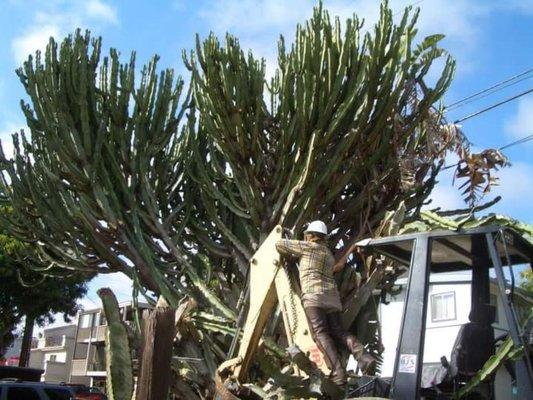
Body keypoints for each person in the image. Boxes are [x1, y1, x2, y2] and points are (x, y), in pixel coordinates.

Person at [275, 220, 376, 385]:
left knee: (321, 333)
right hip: (332, 298)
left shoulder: (307, 247)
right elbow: (335, 268)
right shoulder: (327, 254)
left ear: (311, 235)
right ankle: (364, 357)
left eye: (307, 234)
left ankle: (338, 373)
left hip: (314, 297)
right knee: (339, 332)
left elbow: (280, 244)